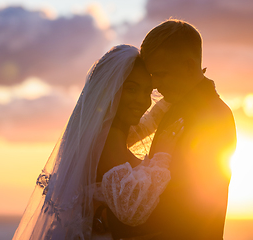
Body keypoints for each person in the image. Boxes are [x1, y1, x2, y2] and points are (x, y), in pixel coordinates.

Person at [12, 44, 182, 240]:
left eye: (147, 91)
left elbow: (149, 121)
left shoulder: (106, 135)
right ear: (108, 91)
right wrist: (162, 155)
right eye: (132, 89)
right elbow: (131, 210)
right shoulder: (107, 141)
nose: (142, 100)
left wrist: (181, 89)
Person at [106, 20, 237, 239]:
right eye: (153, 76)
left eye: (161, 74)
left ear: (187, 66)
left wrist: (105, 216)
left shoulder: (211, 117)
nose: (155, 85)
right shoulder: (176, 107)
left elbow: (187, 206)